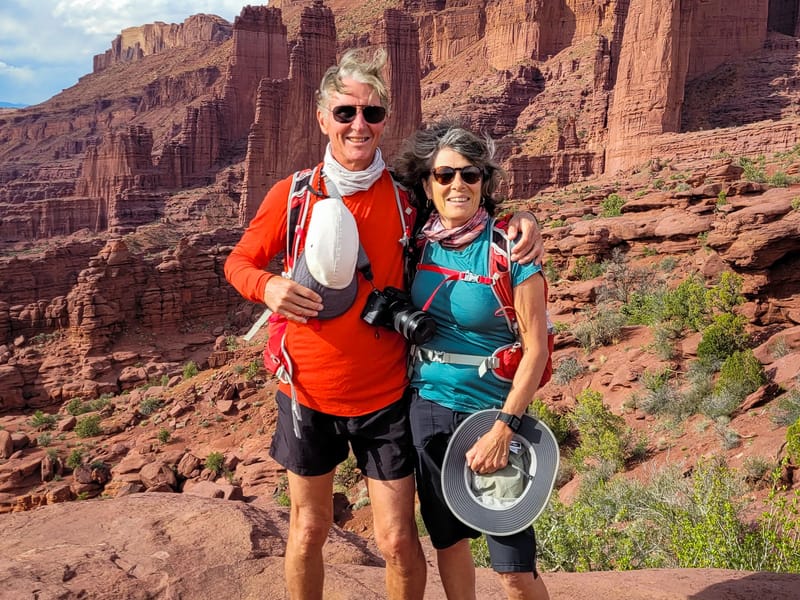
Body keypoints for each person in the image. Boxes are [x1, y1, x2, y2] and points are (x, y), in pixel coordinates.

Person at [224, 48, 543, 600]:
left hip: (387, 397)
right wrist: (268, 286)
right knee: (308, 530)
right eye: (345, 112)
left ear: (384, 121)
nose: (358, 125)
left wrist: (522, 219)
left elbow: (463, 206)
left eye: (371, 114)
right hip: (305, 392)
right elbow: (238, 263)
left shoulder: (403, 198)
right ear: (322, 117)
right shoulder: (293, 196)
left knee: (397, 541)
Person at [393, 120, 552, 600]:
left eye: (470, 174)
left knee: (514, 571)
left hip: (493, 414)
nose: (457, 185)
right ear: (427, 183)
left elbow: (536, 346)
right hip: (428, 408)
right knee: (450, 543)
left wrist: (505, 427)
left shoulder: (511, 247)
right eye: (444, 176)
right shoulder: (417, 241)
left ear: (485, 181)